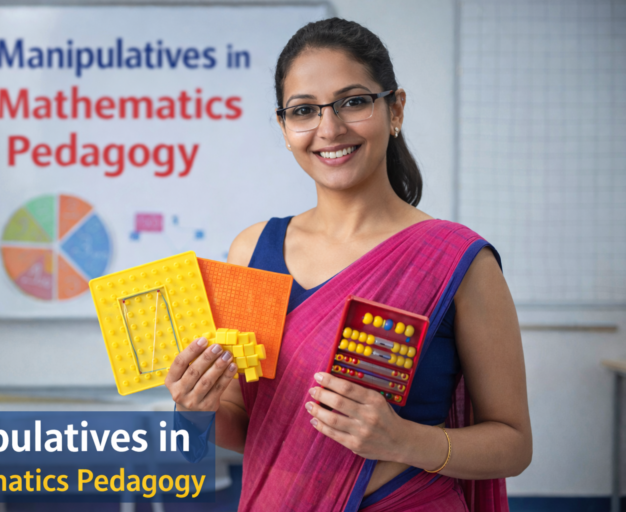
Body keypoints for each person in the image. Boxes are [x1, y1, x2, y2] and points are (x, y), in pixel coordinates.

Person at [165, 18, 532, 511]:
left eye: (353, 102)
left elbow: (513, 444)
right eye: (304, 111)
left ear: (394, 108)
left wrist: (403, 440)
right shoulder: (252, 251)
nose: (329, 128)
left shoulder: (458, 261)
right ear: (284, 127)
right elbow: (250, 429)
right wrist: (193, 410)